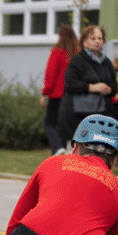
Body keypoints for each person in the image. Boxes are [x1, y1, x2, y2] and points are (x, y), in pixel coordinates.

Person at [59, 25, 117, 147]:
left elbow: (114, 85)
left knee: (99, 154)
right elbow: (70, 83)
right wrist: (92, 87)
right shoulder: (77, 60)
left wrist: (109, 89)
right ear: (84, 42)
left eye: (100, 38)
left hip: (102, 114)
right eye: (93, 38)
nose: (97, 41)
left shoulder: (106, 62)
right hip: (79, 115)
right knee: (79, 155)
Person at [40, 25, 79, 155]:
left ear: (60, 36)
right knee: (65, 124)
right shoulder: (77, 53)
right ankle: (62, 152)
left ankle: (57, 148)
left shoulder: (57, 51)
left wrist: (45, 93)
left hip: (57, 94)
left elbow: (51, 74)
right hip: (73, 94)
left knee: (49, 122)